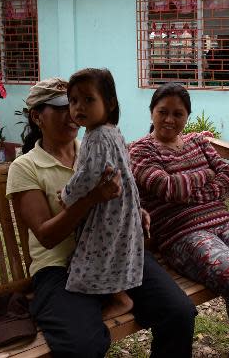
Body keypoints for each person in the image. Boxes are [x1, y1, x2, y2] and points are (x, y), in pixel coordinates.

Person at [6, 78, 197, 358]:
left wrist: (135, 214)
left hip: (116, 253)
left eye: (79, 104)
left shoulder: (96, 145)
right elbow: (47, 237)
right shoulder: (25, 167)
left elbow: (121, 195)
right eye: (63, 107)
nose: (73, 113)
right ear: (37, 117)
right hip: (60, 268)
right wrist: (91, 198)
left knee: (178, 313)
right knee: (82, 347)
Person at [129, 83, 229, 358]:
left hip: (223, 223)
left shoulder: (198, 141)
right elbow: (169, 189)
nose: (169, 119)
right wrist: (205, 175)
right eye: (162, 111)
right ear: (151, 111)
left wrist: (189, 188)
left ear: (187, 116)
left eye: (178, 114)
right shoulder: (141, 150)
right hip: (180, 234)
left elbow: (227, 179)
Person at [60, 68, 142, 315]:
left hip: (110, 209)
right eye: (73, 101)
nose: (78, 107)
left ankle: (118, 298)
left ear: (110, 103)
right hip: (122, 205)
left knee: (99, 250)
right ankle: (116, 294)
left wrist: (66, 196)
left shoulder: (96, 137)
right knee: (111, 250)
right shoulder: (111, 131)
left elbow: (87, 175)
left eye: (88, 99)